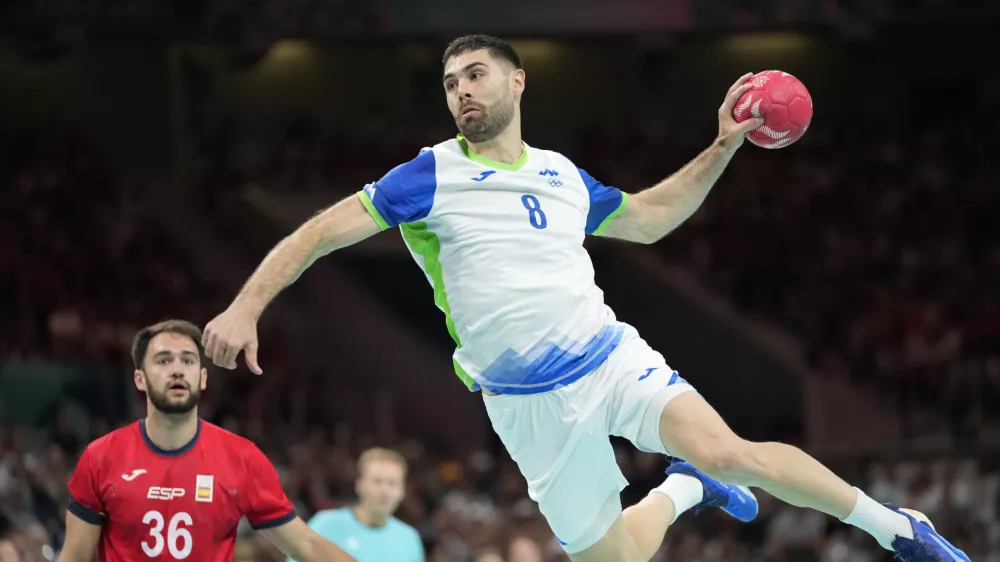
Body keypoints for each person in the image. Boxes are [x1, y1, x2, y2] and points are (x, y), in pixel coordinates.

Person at [202, 35, 969, 562]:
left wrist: (721, 146)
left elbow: (653, 216)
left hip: (609, 357)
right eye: (449, 83)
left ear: (516, 81)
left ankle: (897, 528)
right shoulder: (427, 175)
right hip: (524, 403)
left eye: (474, 75)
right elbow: (318, 234)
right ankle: (681, 493)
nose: (461, 91)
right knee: (612, 553)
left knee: (732, 449)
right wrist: (245, 307)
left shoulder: (564, 175)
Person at [59, 320, 355, 562]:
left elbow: (305, 544)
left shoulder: (241, 458)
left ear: (202, 378)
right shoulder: (101, 457)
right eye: (163, 360)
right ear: (140, 379)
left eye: (187, 361)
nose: (177, 369)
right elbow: (74, 557)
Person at [289, 448, 423, 562]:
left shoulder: (409, 538)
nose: (384, 491)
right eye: (377, 481)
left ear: (402, 491)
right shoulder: (325, 524)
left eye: (392, 483)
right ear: (359, 485)